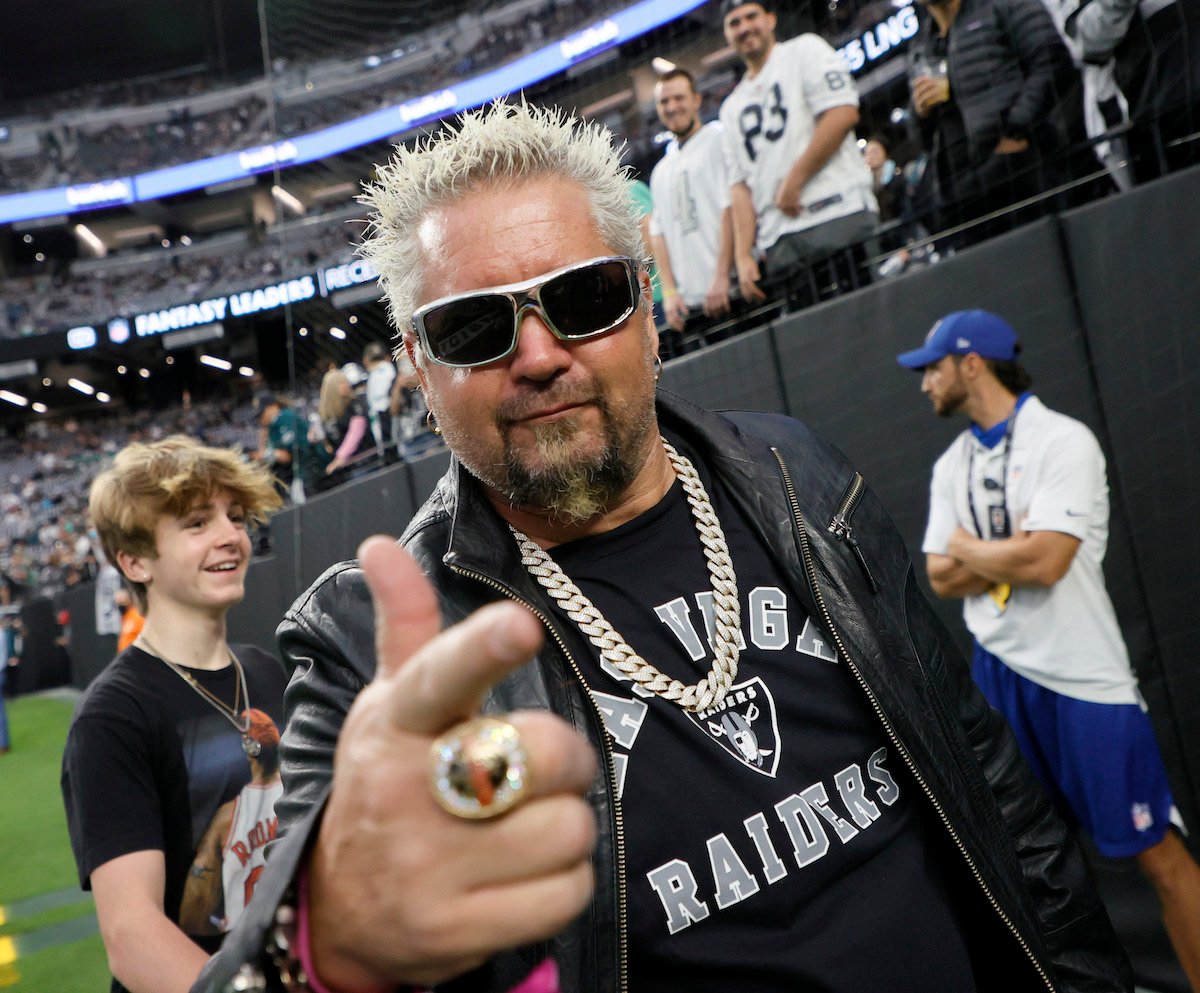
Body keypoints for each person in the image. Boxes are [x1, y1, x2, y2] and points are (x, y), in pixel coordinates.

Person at [195, 102, 1129, 993]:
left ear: (645, 303)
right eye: (474, 327)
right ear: (416, 368)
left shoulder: (799, 474)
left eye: (584, 296)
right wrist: (316, 951)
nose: (538, 353)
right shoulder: (365, 644)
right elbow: (295, 925)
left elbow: (992, 786)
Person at [898, 309, 1200, 989]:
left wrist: (974, 550)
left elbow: (1049, 560)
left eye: (932, 367)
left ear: (972, 362)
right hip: (999, 679)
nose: (924, 384)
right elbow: (941, 575)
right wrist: (1001, 553)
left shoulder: (1063, 440)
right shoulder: (953, 465)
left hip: (1082, 680)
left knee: (1158, 857)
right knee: (1035, 875)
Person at [62, 436, 287, 993]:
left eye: (235, 517)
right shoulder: (112, 717)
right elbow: (133, 940)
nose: (230, 535)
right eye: (196, 523)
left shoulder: (270, 673)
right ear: (135, 561)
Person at [719, 0, 878, 304]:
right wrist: (742, 254)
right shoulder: (730, 108)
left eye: (751, 16)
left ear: (771, 19)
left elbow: (842, 113)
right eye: (734, 23)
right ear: (727, 35)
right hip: (782, 241)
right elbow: (739, 186)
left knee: (871, 321)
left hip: (837, 215)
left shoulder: (805, 50)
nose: (744, 27)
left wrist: (795, 180)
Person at [908, 0, 1094, 242]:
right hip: (964, 202)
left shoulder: (1001, 5)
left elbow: (1052, 61)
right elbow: (921, 140)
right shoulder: (922, 45)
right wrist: (920, 113)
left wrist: (1014, 130)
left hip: (1025, 181)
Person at [647, 68, 733, 334]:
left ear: (696, 100)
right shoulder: (660, 170)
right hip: (691, 308)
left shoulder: (719, 138)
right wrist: (670, 293)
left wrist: (721, 277)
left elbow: (730, 208)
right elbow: (658, 235)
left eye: (678, 98)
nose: (672, 107)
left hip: (732, 291)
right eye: (664, 102)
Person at [255, 393, 324, 501]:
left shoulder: (285, 416)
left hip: (312, 468)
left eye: (262, 412)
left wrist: (268, 454)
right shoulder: (272, 428)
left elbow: (287, 455)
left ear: (273, 406)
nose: (261, 418)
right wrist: (262, 441)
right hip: (300, 473)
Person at [317, 367, 373, 480]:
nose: (346, 384)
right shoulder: (326, 415)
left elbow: (356, 431)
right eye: (342, 383)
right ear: (332, 388)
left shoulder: (354, 403)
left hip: (365, 461)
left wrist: (340, 457)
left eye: (345, 381)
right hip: (346, 470)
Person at [362, 342, 397, 454]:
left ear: (366, 360)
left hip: (387, 423)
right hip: (387, 422)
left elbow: (382, 405)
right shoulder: (387, 369)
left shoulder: (378, 372)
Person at [114, 586, 145, 652]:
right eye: (118, 603)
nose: (120, 605)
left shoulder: (136, 616)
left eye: (122, 602)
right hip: (125, 656)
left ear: (128, 600)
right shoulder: (125, 617)